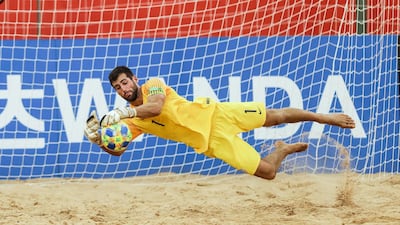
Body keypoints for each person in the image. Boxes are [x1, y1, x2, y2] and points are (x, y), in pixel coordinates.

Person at [84, 66, 356, 180]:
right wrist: (98, 139)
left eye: (124, 82)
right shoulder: (134, 121)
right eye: (117, 88)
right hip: (211, 143)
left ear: (134, 79)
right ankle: (282, 149)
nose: (122, 89)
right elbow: (118, 149)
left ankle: (324, 117)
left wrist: (123, 114)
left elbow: (154, 107)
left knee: (276, 117)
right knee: (268, 173)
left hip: (216, 114)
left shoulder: (153, 87)